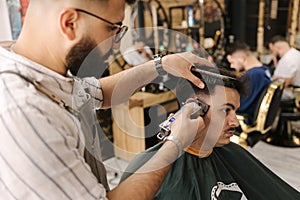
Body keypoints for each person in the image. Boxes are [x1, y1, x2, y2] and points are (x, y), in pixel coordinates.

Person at [0, 0, 210, 199]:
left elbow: (100, 92)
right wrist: (175, 142)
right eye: (113, 29)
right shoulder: (23, 111)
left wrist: (162, 65)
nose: (117, 46)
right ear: (69, 23)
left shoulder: (41, 70)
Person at [121, 65, 300, 199]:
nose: (235, 122)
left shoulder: (232, 153)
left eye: (235, 111)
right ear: (194, 109)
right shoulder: (144, 168)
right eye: (225, 110)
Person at [226, 41, 272, 125]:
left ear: (241, 58)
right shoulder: (264, 70)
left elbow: (240, 106)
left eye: (232, 62)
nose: (231, 66)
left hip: (244, 121)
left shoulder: (254, 76)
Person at [269, 35, 300, 100]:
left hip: (290, 94)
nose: (273, 54)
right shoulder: (296, 54)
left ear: (278, 48)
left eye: (273, 51)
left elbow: (285, 82)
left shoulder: (287, 60)